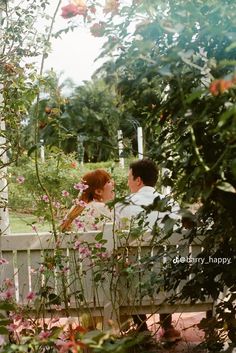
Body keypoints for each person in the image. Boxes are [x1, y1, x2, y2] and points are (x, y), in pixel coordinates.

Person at [115, 159, 181, 343]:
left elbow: (116, 237)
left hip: (136, 277)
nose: (127, 182)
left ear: (138, 180)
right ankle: (167, 327)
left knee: (130, 269)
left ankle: (142, 328)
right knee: (165, 265)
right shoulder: (171, 204)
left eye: (129, 177)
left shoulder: (123, 205)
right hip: (170, 277)